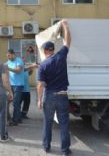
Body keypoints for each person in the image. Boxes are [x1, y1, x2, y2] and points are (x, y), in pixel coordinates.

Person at [37, 19, 72, 155]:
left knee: (48, 123)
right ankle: (65, 150)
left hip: (49, 96)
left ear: (45, 51)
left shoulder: (43, 65)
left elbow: (40, 85)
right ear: (53, 49)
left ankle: (46, 147)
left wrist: (39, 100)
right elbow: (67, 42)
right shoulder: (61, 56)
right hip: (63, 96)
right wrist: (65, 26)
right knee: (64, 124)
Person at [5, 49, 24, 125]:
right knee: (8, 101)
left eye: (9, 55)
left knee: (16, 102)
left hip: (18, 85)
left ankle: (15, 120)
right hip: (10, 85)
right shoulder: (8, 62)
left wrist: (8, 68)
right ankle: (15, 118)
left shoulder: (19, 61)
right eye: (7, 56)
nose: (8, 57)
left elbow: (18, 70)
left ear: (13, 54)